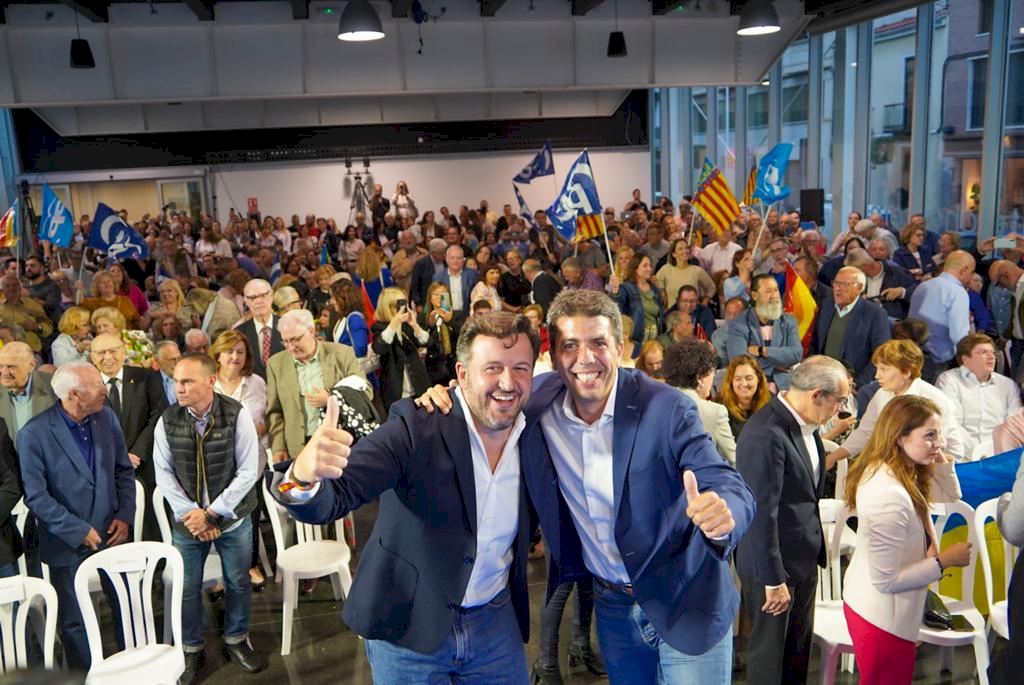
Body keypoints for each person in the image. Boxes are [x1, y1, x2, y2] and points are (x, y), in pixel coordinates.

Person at [420, 290, 756, 683]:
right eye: (570, 345)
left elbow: (722, 478)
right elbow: (486, 398)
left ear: (620, 348)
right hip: (613, 608)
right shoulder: (537, 404)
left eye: (598, 342)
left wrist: (724, 513)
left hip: (685, 598)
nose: (585, 358)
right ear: (554, 356)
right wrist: (447, 398)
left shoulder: (666, 407)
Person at [272, 312, 539, 683]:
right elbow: (333, 496)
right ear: (462, 374)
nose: (507, 382)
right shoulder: (416, 425)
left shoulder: (536, 432)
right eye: (492, 368)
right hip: (408, 628)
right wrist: (300, 477)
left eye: (520, 368)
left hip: (495, 626)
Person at [736, 356, 850, 685]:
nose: (840, 409)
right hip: (773, 568)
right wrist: (773, 579)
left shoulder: (806, 426)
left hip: (801, 560)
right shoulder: (765, 433)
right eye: (839, 400)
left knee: (796, 657)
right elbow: (760, 513)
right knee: (770, 662)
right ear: (817, 395)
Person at [153, 354, 265, 684]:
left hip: (231, 518)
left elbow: (248, 472)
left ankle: (237, 639)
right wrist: (193, 514)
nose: (179, 388)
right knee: (187, 587)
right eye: (176, 381)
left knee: (238, 581)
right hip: (188, 521)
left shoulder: (236, 415)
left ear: (210, 381)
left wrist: (212, 514)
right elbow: (163, 473)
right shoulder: (167, 419)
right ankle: (191, 648)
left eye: (187, 381)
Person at [842, 395, 969, 685]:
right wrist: (944, 561)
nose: (940, 443)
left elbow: (950, 496)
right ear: (900, 437)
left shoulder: (900, 470)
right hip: (881, 616)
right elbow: (885, 581)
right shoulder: (888, 494)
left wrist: (939, 458)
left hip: (885, 610)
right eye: (930, 435)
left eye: (939, 434)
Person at [18, 362, 135, 671]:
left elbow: (123, 471)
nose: (104, 389)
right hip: (66, 541)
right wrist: (77, 529)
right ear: (73, 394)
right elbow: (36, 496)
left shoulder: (107, 417)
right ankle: (86, 675)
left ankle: (133, 669)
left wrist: (124, 515)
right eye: (96, 385)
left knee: (125, 606)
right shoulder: (33, 434)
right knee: (75, 619)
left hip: (112, 531)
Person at [828, 340, 967, 469]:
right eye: (877, 368)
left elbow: (937, 448)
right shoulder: (882, 394)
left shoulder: (935, 400)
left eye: (884, 369)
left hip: (936, 468)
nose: (877, 376)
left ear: (906, 371)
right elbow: (865, 432)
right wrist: (833, 457)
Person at [266, 309, 367, 463]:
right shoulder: (276, 364)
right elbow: (275, 411)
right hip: (298, 448)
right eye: (285, 341)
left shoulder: (342, 354)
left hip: (339, 442)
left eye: (295, 339)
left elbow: (367, 391)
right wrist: (278, 447)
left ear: (311, 331)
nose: (290, 347)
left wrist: (332, 397)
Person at [935, 333, 1022, 456]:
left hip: (1000, 455)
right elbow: (951, 423)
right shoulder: (949, 380)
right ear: (965, 359)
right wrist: (978, 452)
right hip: (963, 456)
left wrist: (994, 452)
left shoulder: (1008, 385)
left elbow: (1014, 426)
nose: (992, 357)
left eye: (993, 353)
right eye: (983, 352)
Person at [809, 266, 891, 386]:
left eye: (844, 284)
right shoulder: (826, 305)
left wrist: (858, 383)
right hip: (821, 378)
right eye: (836, 283)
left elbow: (881, 355)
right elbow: (815, 342)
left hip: (853, 382)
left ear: (859, 288)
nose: (838, 288)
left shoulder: (875, 314)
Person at [664, 338, 736, 464]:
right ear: (699, 378)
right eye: (712, 371)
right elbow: (734, 460)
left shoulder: (656, 404)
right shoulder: (715, 413)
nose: (713, 376)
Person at [726, 274, 803, 390]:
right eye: (768, 291)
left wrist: (763, 351)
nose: (774, 296)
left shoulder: (789, 321)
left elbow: (796, 354)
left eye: (776, 290)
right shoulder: (739, 324)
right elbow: (739, 361)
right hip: (753, 387)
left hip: (784, 387)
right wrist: (775, 365)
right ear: (754, 295)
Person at [907, 250, 975, 366]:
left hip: (913, 355)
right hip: (938, 361)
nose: (971, 276)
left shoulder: (922, 286)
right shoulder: (957, 292)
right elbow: (959, 335)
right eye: (971, 272)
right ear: (964, 270)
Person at [372, 287, 431, 412]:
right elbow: (378, 347)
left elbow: (427, 342)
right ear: (388, 307)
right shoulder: (380, 327)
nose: (403, 308)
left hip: (418, 387)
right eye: (399, 304)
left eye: (405, 303)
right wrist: (394, 324)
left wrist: (415, 325)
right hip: (396, 391)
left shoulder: (407, 326)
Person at [0, 341, 58, 440]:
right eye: (0, 366)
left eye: (11, 367)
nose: (4, 373)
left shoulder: (54, 386)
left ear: (31, 365)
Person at [235, 279, 284, 380]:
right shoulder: (238, 333)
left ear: (271, 295)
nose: (258, 301)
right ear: (246, 301)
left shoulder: (287, 326)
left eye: (263, 295)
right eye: (252, 298)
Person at [717, 355, 771, 440]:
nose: (744, 384)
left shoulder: (771, 402)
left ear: (758, 378)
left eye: (749, 378)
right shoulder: (719, 406)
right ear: (731, 381)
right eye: (738, 379)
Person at [616, 254, 665, 346]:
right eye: (645, 266)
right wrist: (615, 292)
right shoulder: (626, 288)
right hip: (636, 339)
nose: (649, 269)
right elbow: (616, 308)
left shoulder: (654, 289)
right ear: (635, 268)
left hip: (654, 338)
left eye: (650, 265)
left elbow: (661, 313)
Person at [419, 282, 462, 386]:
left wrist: (450, 320)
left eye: (443, 294)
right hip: (433, 365)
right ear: (430, 298)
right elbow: (421, 342)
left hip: (454, 363)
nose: (439, 297)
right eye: (436, 294)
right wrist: (430, 325)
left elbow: (463, 335)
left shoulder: (458, 315)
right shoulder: (423, 317)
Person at [0, 274, 53, 354]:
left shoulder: (32, 304)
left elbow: (49, 326)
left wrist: (36, 327)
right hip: (5, 353)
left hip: (31, 351)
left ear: (20, 287)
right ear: (2, 289)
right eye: (7, 286)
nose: (12, 288)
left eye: (15, 285)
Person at [654, 239, 716, 306]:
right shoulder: (666, 269)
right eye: (680, 249)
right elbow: (656, 280)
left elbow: (712, 287)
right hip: (672, 311)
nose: (685, 251)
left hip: (691, 311)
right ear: (674, 254)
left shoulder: (697, 270)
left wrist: (705, 302)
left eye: (686, 248)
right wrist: (662, 291)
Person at [432, 244, 478, 316]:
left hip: (467, 315)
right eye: (452, 258)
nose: (455, 261)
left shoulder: (472, 275)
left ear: (463, 260)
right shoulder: (438, 277)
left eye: (459, 258)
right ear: (446, 259)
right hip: (446, 314)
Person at [153, 340, 181, 406]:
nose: (177, 363)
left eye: (179, 358)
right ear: (158, 360)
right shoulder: (149, 382)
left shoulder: (188, 377)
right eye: (172, 359)